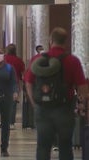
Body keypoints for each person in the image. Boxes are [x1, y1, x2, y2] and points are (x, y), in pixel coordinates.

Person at [24, 27, 88, 160]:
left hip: (42, 109)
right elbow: (82, 87)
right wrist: (82, 104)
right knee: (65, 145)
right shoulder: (72, 61)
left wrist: (34, 103)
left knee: (43, 146)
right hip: (64, 109)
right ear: (65, 42)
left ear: (50, 40)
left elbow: (28, 82)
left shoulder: (38, 59)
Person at [4, 43, 25, 129]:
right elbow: (23, 73)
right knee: (13, 103)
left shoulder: (4, 59)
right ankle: (11, 123)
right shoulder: (19, 60)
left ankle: (3, 121)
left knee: (3, 102)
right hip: (15, 83)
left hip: (3, 82)